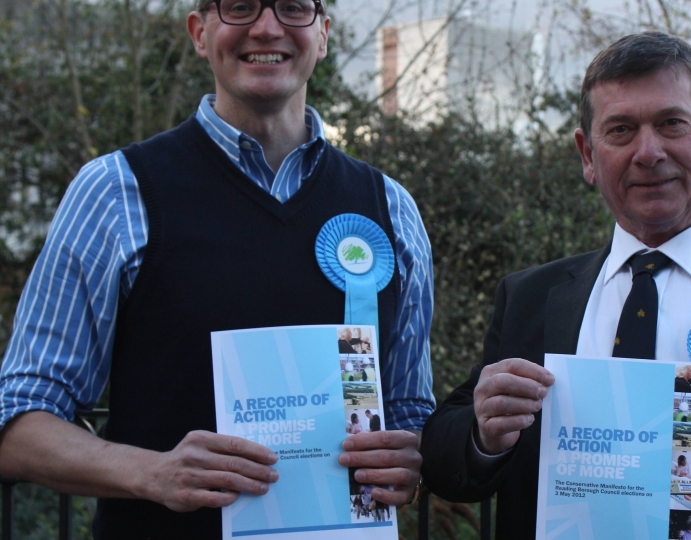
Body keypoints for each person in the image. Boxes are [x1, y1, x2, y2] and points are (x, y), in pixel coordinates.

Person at [0, 0, 434, 537]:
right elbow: (19, 424)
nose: (267, 27)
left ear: (323, 35)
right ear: (199, 33)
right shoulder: (115, 192)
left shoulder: (391, 210)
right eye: (239, 6)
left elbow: (410, 411)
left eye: (294, 7)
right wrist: (151, 472)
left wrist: (414, 459)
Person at [420, 32, 691, 539]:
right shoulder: (530, 298)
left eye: (671, 123)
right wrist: (485, 435)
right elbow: (443, 460)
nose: (648, 151)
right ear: (587, 155)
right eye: (620, 130)